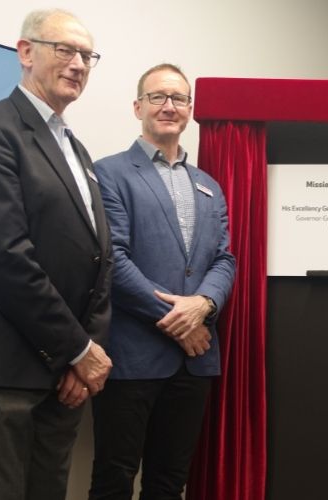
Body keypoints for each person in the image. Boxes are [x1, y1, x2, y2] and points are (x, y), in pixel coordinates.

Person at [0, 9, 112, 500]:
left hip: (65, 374)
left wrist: (86, 354)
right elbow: (3, 255)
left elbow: (102, 259)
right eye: (65, 49)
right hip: (1, 368)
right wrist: (79, 349)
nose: (78, 63)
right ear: (26, 51)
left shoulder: (76, 150)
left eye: (87, 55)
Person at [88, 63, 236, 499]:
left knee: (170, 482)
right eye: (158, 97)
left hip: (195, 363)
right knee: (114, 478)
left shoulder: (209, 185)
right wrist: (180, 321)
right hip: (132, 357)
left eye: (179, 99)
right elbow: (112, 259)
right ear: (138, 107)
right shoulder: (108, 173)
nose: (169, 106)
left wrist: (204, 306)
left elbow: (224, 260)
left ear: (190, 109)